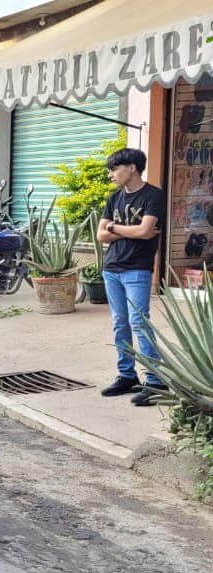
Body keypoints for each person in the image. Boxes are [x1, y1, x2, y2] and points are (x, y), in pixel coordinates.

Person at [96, 148, 167, 406]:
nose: (111, 175)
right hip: (112, 267)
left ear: (132, 168)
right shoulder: (114, 198)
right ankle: (127, 375)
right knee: (120, 323)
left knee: (139, 322)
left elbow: (146, 230)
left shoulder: (153, 195)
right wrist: (124, 229)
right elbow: (101, 235)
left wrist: (114, 228)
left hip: (137, 268)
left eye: (115, 169)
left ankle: (156, 380)